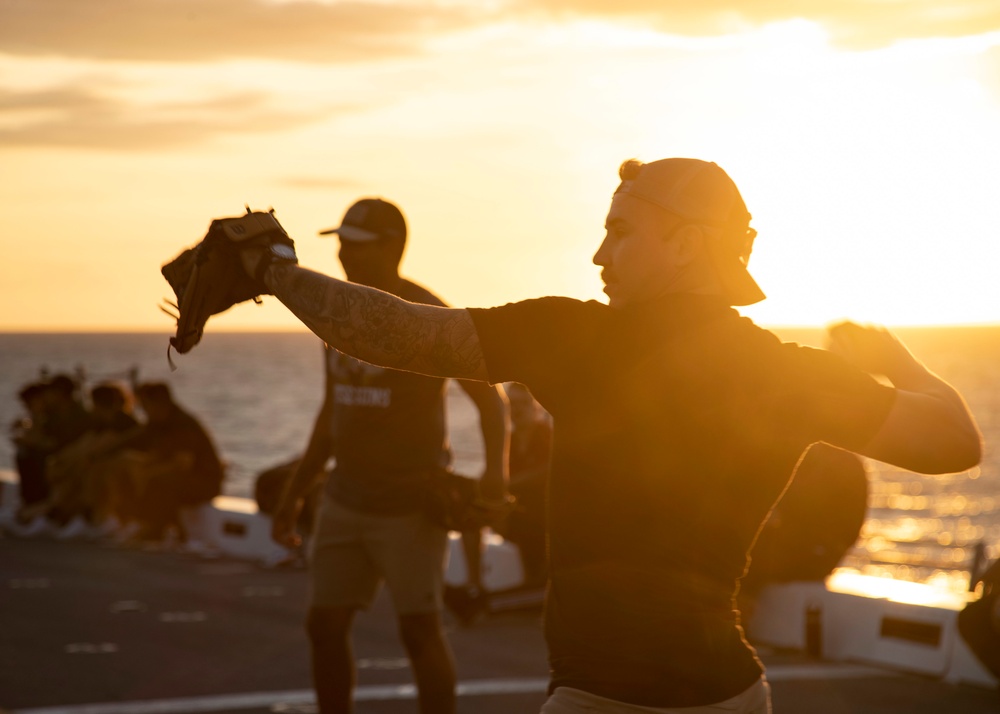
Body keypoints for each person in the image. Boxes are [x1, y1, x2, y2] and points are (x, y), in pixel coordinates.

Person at [233, 158, 980, 713]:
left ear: (686, 245)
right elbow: (954, 441)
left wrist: (276, 273)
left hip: (603, 696)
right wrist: (891, 357)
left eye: (619, 233)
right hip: (734, 695)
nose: (599, 256)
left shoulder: (580, 340)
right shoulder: (784, 372)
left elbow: (401, 335)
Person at [269, 198, 510, 714]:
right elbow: (331, 412)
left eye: (354, 245)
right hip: (343, 498)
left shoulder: (428, 315)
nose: (341, 256)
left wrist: (494, 480)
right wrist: (294, 496)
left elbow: (492, 402)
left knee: (420, 632)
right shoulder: (336, 313)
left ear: (392, 247)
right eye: (339, 244)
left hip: (409, 505)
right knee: (323, 626)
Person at [447, 381, 552, 624]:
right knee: (472, 511)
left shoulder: (547, 436)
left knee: (542, 586)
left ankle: (486, 605)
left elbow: (547, 472)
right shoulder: (507, 441)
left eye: (523, 404)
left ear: (535, 407)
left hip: (545, 522)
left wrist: (509, 483)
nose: (517, 410)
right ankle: (475, 584)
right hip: (515, 516)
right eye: (512, 404)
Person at [737, 442, 868, 625]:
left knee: (752, 557)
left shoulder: (836, 463)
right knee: (745, 548)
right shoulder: (822, 455)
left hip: (815, 555)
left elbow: (798, 503)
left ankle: (736, 617)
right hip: (814, 550)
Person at [104, 381, 225, 544]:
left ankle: (157, 531)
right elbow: (133, 438)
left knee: (159, 481)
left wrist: (147, 473)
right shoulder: (158, 421)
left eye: (146, 405)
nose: (144, 410)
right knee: (124, 465)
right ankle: (130, 522)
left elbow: (182, 464)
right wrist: (105, 451)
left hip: (204, 482)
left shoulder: (183, 424)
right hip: (183, 476)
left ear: (159, 403)